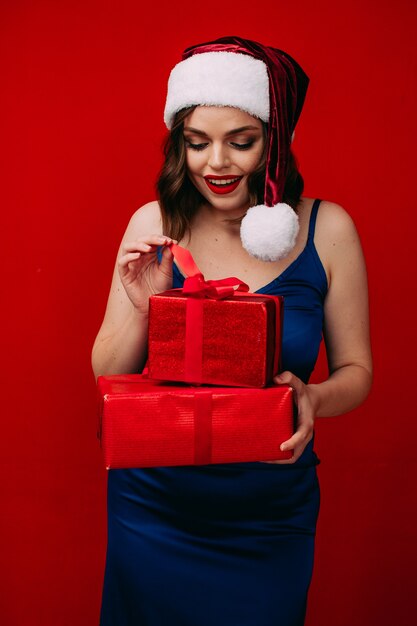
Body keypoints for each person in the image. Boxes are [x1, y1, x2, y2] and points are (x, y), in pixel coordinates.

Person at [92, 36, 372, 626]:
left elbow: (358, 373)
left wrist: (312, 398)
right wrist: (144, 306)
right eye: (197, 144)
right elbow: (106, 374)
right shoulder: (155, 221)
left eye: (240, 142)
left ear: (275, 142)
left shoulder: (327, 229)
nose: (215, 163)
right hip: (154, 506)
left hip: (268, 514)